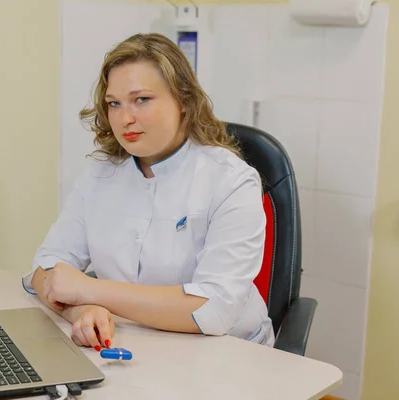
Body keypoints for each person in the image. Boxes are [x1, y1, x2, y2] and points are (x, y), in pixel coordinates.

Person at [22, 32, 274, 351]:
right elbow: (47, 266)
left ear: (183, 100)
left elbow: (214, 309)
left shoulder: (231, 181)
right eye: (114, 103)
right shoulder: (102, 173)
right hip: (132, 345)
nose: (125, 118)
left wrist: (90, 291)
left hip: (228, 352)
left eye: (141, 99)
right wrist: (83, 311)